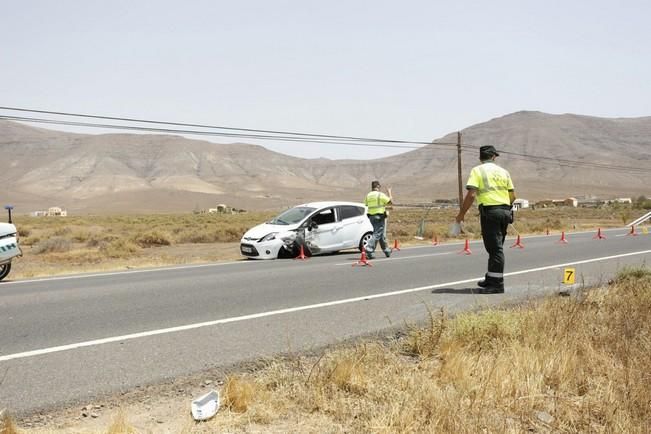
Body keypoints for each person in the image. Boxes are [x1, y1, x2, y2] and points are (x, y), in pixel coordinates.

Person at [455, 145, 515, 294]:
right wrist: (505, 208)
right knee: (495, 248)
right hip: (505, 211)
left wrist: (461, 214)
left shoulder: (478, 170)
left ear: (480, 158)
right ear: (494, 157)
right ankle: (490, 277)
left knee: (495, 249)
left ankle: (497, 285)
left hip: (490, 212)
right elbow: (512, 196)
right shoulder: (504, 172)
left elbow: (471, 195)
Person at [364, 180, 393, 259]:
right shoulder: (380, 195)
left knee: (380, 233)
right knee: (377, 233)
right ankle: (369, 248)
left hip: (371, 217)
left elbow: (366, 204)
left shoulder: (368, 195)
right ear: (378, 186)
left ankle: (386, 250)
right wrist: (389, 192)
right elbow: (390, 202)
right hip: (379, 216)